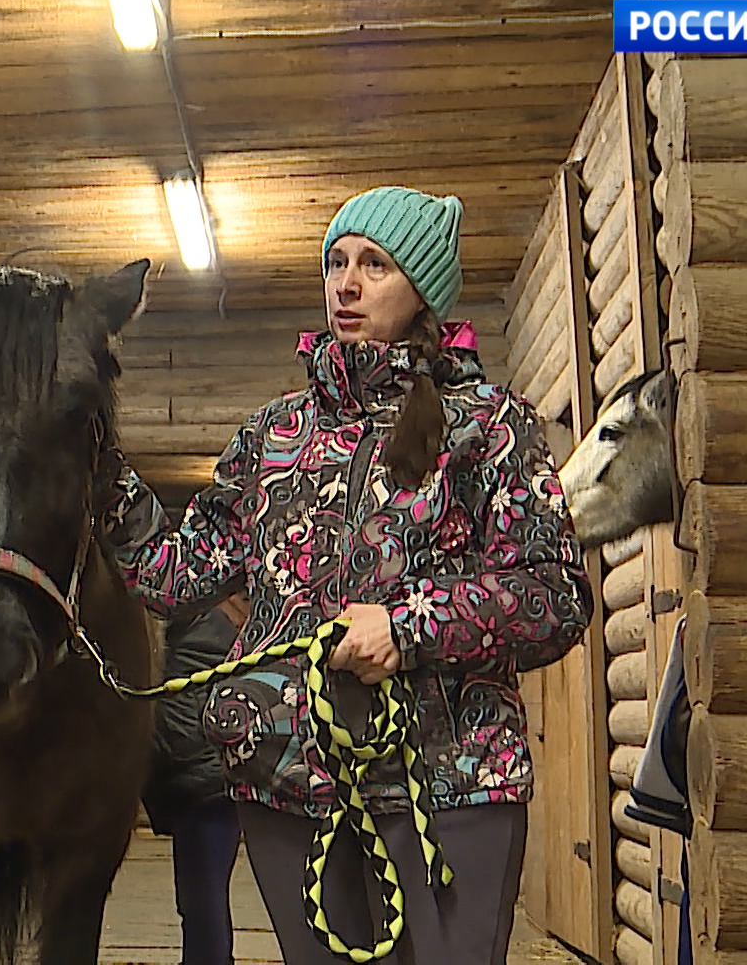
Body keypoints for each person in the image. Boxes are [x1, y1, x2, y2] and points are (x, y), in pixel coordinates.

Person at [105, 186, 592, 965]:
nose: (347, 283)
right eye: (336, 263)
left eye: (375, 264)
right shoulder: (274, 435)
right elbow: (177, 574)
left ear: (423, 288)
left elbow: (555, 594)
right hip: (288, 782)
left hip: (447, 783)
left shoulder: (490, 426)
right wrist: (101, 475)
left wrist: (411, 627)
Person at [143, 596, 247, 965]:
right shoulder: (222, 619)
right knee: (202, 900)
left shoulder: (192, 616)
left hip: (202, 779)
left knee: (201, 901)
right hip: (210, 775)